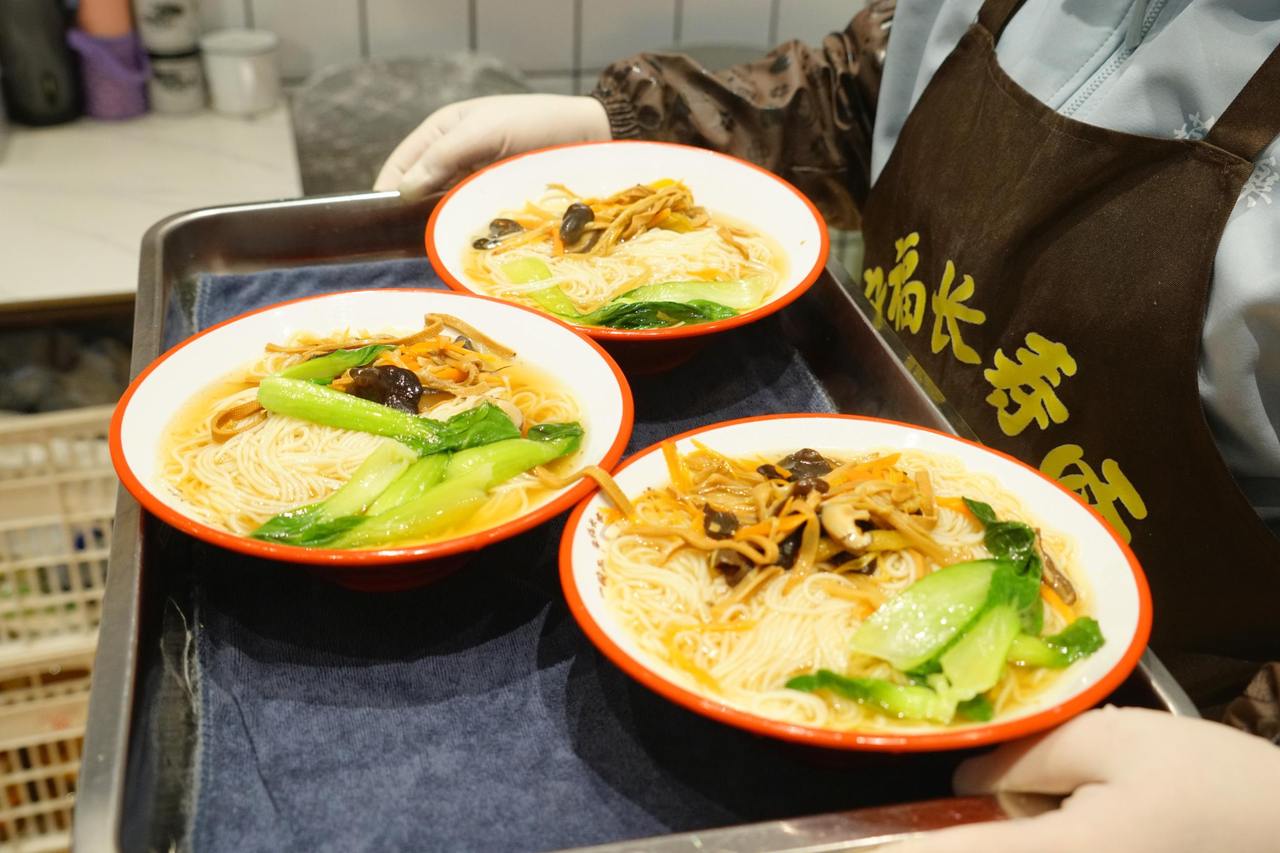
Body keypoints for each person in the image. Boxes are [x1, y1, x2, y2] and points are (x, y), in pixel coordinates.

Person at [376, 1, 1280, 848]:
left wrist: (1262, 795)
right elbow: (862, 95)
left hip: (1176, 727)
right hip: (869, 483)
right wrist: (625, 122)